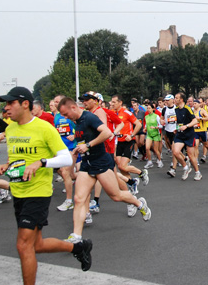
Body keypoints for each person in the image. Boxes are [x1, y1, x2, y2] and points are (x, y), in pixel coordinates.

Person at [0, 87, 92, 283]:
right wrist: (7, 165)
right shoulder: (10, 128)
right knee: (36, 245)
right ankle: (78, 247)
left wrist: (41, 162)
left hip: (37, 192)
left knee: (23, 246)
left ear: (25, 104)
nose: (6, 108)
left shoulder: (44, 128)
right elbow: (20, 158)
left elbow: (65, 158)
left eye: (10, 103)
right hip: (18, 191)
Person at [57, 97, 151, 244]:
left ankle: (139, 204)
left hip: (100, 161)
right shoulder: (77, 121)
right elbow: (83, 139)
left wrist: (88, 145)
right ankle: (76, 235)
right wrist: (78, 148)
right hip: (87, 164)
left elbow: (107, 133)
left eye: (65, 113)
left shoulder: (89, 117)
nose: (64, 117)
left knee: (116, 195)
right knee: (79, 199)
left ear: (73, 108)